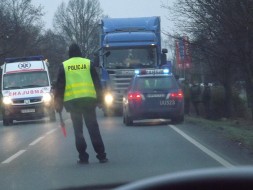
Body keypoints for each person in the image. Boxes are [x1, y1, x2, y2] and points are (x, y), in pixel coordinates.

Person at [54, 43, 108, 164]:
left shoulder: (64, 66)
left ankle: (83, 157)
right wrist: (101, 100)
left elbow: (60, 87)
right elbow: (97, 84)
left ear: (69, 53)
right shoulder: (88, 63)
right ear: (80, 52)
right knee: (93, 129)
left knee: (78, 131)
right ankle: (101, 155)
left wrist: (59, 105)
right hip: (89, 101)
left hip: (73, 103)